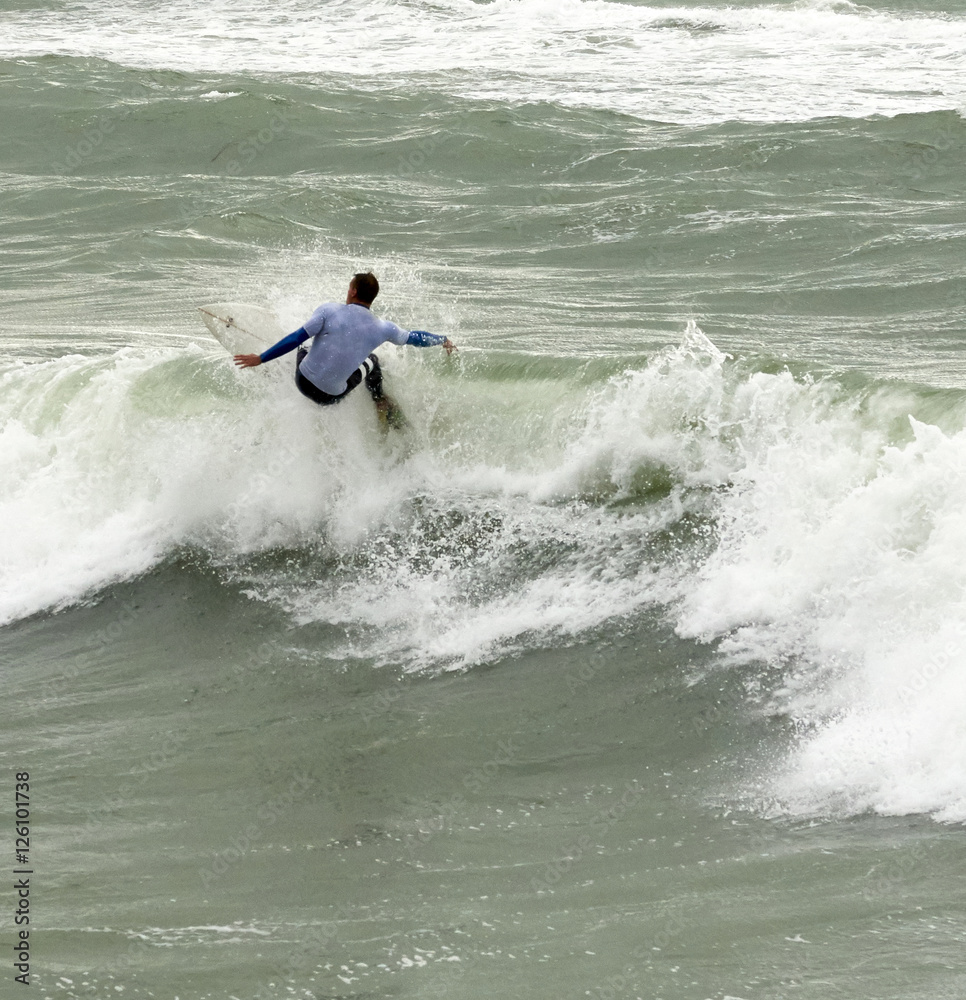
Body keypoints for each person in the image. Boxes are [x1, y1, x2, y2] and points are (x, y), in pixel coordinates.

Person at [233, 272, 455, 423]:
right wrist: (442, 339)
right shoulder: (383, 328)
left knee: (305, 340)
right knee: (372, 362)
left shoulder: (328, 311)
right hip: (330, 397)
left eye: (349, 287)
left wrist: (261, 358)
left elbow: (294, 338)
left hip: (302, 382)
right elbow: (415, 338)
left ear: (354, 292)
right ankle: (379, 400)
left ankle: (278, 368)